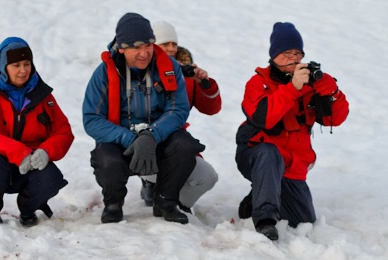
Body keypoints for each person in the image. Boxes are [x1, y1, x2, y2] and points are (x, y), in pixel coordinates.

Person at [83, 13, 203, 224]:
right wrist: (129, 139)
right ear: (121, 48)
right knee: (106, 157)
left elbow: (178, 109)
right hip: (122, 142)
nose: (144, 53)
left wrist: (151, 136)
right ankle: (113, 203)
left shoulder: (169, 67)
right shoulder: (104, 73)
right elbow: (92, 118)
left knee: (184, 145)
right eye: (136, 47)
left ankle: (166, 202)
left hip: (157, 139)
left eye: (148, 45)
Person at [235, 22, 349, 240]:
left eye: (298, 53)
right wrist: (293, 88)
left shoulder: (309, 82)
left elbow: (334, 119)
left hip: (293, 165)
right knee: (269, 152)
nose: (294, 58)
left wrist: (332, 92)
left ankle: (255, 199)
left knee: (304, 221)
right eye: (286, 53)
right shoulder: (258, 82)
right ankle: (265, 220)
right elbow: (263, 118)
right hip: (257, 155)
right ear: (274, 55)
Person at [0, 37, 73, 226]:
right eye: (16, 65)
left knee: (51, 178)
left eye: (27, 63)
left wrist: (47, 151)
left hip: (30, 162)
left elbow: (63, 131)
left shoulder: (43, 95)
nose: (23, 70)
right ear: (3, 67)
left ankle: (28, 210)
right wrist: (16, 151)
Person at [137, 20, 221, 211]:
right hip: (145, 140)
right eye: (165, 44)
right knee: (168, 168)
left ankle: (173, 204)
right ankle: (151, 184)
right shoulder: (139, 72)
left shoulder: (186, 72)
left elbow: (211, 109)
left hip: (177, 138)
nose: (171, 48)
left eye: (174, 44)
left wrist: (204, 83)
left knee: (206, 177)